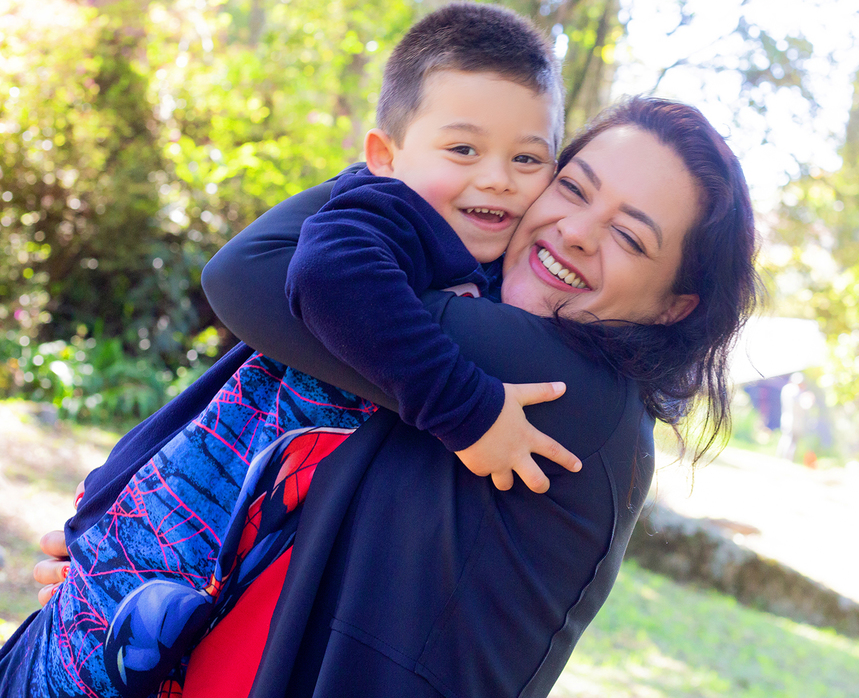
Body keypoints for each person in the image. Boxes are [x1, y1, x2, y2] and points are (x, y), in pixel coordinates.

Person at [18, 97, 759, 698]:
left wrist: (418, 163)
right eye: (571, 187)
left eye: (629, 238)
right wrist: (121, 542)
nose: (574, 232)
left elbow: (258, 270)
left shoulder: (568, 386)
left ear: (675, 307)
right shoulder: (471, 334)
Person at [1, 0, 582, 697]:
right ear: (383, 157)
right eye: (463, 149)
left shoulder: (488, 264)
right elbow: (332, 272)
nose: (497, 178)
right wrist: (469, 413)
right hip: (186, 510)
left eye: (528, 159)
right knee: (81, 673)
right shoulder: (389, 212)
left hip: (238, 532)